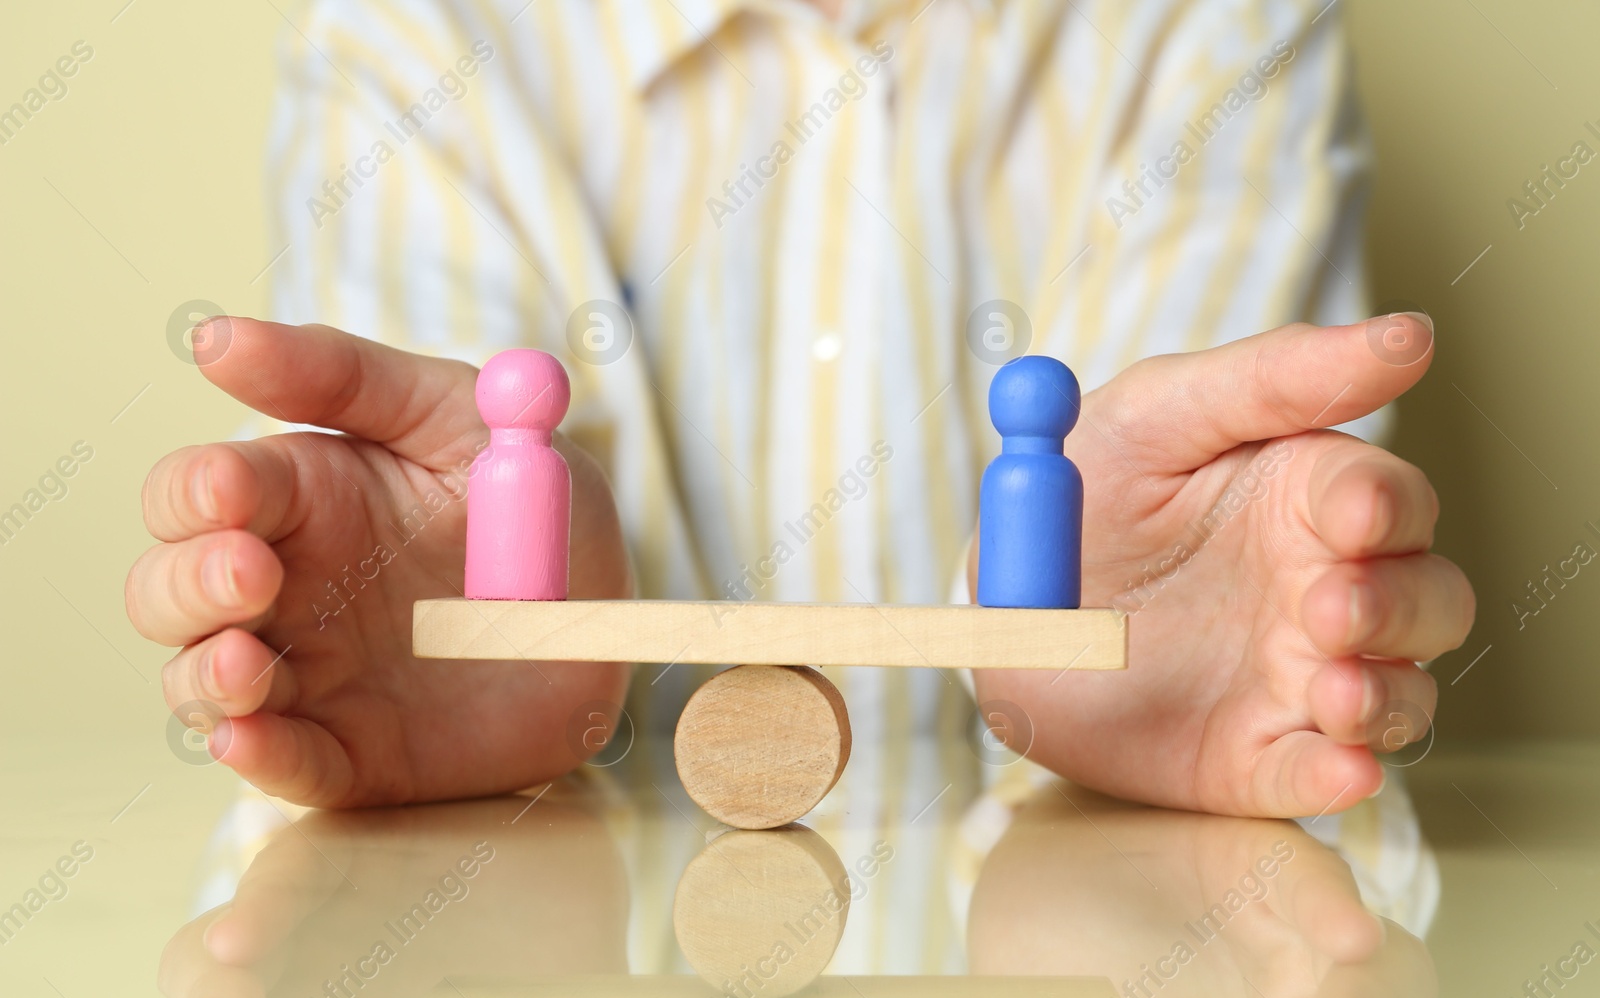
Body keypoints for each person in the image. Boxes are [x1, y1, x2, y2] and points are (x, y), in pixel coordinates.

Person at [124, 0, 1474, 818]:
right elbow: (456, 515)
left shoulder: (1214, 33)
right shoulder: (418, 36)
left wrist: (1145, 634)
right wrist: (494, 628)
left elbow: (1177, 593)